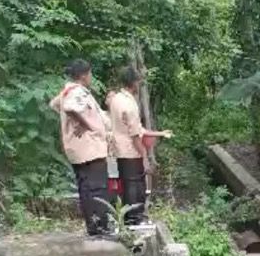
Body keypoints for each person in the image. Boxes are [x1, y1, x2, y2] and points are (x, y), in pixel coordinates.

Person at [49, 59, 111, 237]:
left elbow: (55, 105)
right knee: (97, 188)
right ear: (84, 75)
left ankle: (94, 226)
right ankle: (101, 226)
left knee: (86, 189)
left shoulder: (67, 91)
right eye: (90, 74)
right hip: (89, 149)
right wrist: (85, 124)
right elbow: (69, 108)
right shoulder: (77, 92)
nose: (91, 77)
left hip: (79, 149)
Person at [106, 66, 172, 226]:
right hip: (130, 150)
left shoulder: (115, 99)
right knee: (135, 184)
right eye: (138, 82)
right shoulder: (130, 105)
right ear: (133, 82)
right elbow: (135, 135)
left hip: (119, 149)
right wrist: (144, 157)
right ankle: (135, 218)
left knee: (127, 183)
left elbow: (136, 129)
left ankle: (129, 217)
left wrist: (159, 133)